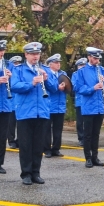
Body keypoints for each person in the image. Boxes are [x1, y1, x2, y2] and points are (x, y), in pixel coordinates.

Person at [10, 42, 58, 185]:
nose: (35, 56)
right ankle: (26, 173)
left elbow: (55, 88)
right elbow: (14, 86)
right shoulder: (18, 70)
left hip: (42, 112)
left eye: (37, 54)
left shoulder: (44, 69)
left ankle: (36, 173)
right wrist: (32, 83)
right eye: (32, 54)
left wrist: (46, 79)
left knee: (38, 146)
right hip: (25, 113)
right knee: (25, 145)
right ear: (26, 55)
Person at [75, 47, 104, 167]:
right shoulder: (82, 71)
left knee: (96, 134)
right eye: (95, 58)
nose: (97, 61)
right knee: (88, 134)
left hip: (99, 106)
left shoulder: (102, 69)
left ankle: (95, 157)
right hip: (88, 107)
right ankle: (88, 158)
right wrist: (92, 88)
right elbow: (78, 88)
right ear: (89, 57)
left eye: (98, 58)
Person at [43, 54, 67, 158]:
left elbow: (69, 86)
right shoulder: (46, 73)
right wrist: (58, 87)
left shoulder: (63, 73)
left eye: (59, 62)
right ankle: (47, 149)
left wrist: (66, 87)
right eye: (56, 63)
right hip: (49, 105)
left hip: (60, 106)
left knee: (58, 129)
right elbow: (51, 87)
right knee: (47, 129)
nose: (59, 64)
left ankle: (56, 149)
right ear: (50, 64)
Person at [0, 40, 12, 174]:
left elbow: (16, 85)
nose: (1, 53)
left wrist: (11, 77)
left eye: (3, 51)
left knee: (2, 136)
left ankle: (0, 163)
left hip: (5, 105)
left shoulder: (7, 64)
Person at [7, 55, 22, 149]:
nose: (17, 65)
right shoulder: (8, 74)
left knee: (21, 124)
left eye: (18, 63)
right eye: (15, 63)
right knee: (11, 124)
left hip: (20, 103)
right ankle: (11, 141)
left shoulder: (20, 74)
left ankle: (19, 140)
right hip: (11, 103)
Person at [71, 58, 87, 146]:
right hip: (80, 101)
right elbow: (74, 87)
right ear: (77, 67)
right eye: (80, 66)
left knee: (88, 122)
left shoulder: (89, 74)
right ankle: (81, 138)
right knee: (80, 122)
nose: (82, 67)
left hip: (88, 101)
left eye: (84, 66)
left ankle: (88, 138)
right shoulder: (75, 75)